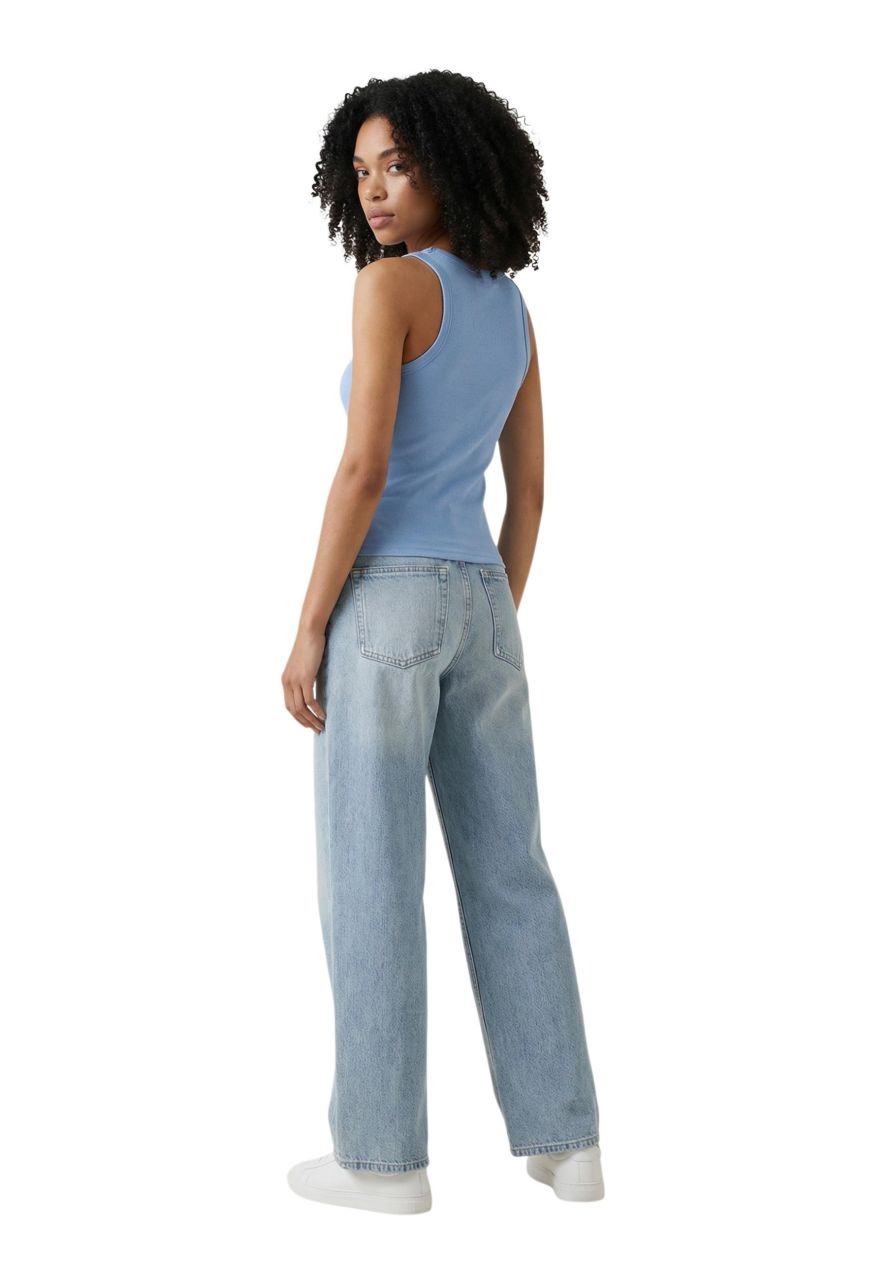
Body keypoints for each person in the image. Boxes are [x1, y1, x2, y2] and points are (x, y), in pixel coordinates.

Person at [282, 70, 603, 1215]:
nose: (374, 190)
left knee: (371, 872)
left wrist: (310, 625)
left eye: (398, 166)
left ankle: (383, 1160)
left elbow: (363, 468)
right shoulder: (511, 310)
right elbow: (532, 490)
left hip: (385, 603)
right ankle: (567, 1142)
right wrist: (491, 611)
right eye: (362, 170)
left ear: (451, 168)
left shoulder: (390, 287)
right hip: (482, 601)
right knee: (510, 868)